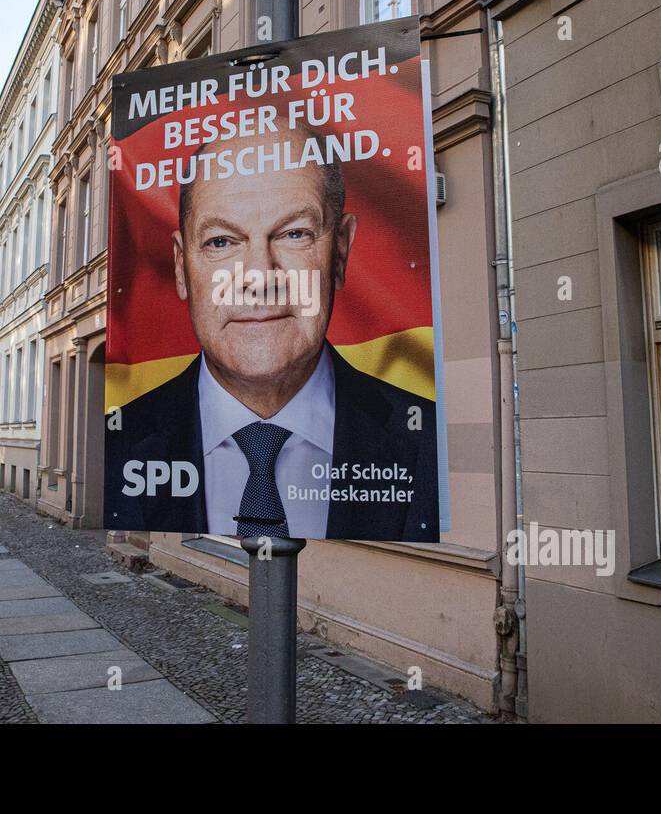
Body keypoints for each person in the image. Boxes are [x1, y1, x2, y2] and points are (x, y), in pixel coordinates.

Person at [105, 128, 438, 542]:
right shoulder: (117, 443)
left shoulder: (427, 442)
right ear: (180, 267)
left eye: (294, 234)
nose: (260, 277)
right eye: (221, 241)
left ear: (340, 251)